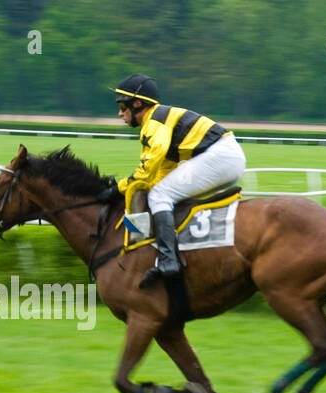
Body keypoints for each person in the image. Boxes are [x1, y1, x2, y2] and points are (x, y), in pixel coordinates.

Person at [104, 74, 246, 287]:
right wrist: (129, 189)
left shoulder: (154, 122)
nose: (120, 113)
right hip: (226, 157)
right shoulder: (161, 119)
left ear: (137, 104)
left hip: (220, 157)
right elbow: (161, 172)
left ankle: (168, 260)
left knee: (160, 195)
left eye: (123, 106)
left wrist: (118, 189)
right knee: (160, 192)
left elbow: (147, 168)